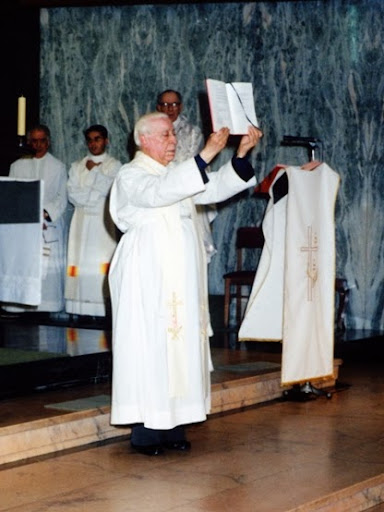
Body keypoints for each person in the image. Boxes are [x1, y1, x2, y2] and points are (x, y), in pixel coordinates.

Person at [109, 111, 263, 456]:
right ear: (142, 139)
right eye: (165, 135)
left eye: (173, 135)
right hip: (146, 276)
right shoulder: (132, 174)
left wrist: (239, 155)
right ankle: (146, 432)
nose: (173, 141)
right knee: (152, 346)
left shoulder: (174, 174)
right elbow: (159, 193)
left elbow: (213, 187)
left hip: (178, 277)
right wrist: (206, 153)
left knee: (179, 348)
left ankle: (174, 425)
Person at [4, 124, 67, 313]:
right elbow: (11, 193)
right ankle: (20, 305)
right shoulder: (17, 165)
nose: (38, 145)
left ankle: (45, 307)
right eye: (34, 141)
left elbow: (61, 197)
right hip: (24, 225)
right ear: (29, 142)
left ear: (48, 142)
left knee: (46, 269)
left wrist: (45, 213)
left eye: (42, 141)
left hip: (47, 223)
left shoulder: (58, 166)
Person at [65, 125, 122, 318]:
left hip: (102, 221)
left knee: (100, 260)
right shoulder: (76, 166)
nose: (93, 143)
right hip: (80, 221)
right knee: (80, 260)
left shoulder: (115, 165)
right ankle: (79, 310)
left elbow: (109, 189)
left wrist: (95, 173)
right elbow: (73, 194)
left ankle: (101, 310)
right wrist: (93, 190)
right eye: (89, 139)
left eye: (97, 139)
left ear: (106, 140)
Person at [157, 89, 217, 261]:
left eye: (174, 104)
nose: (169, 108)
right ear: (158, 106)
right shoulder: (150, 128)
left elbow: (190, 162)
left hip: (186, 190)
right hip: (160, 191)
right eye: (165, 104)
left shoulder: (193, 132)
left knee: (189, 251)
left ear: (181, 106)